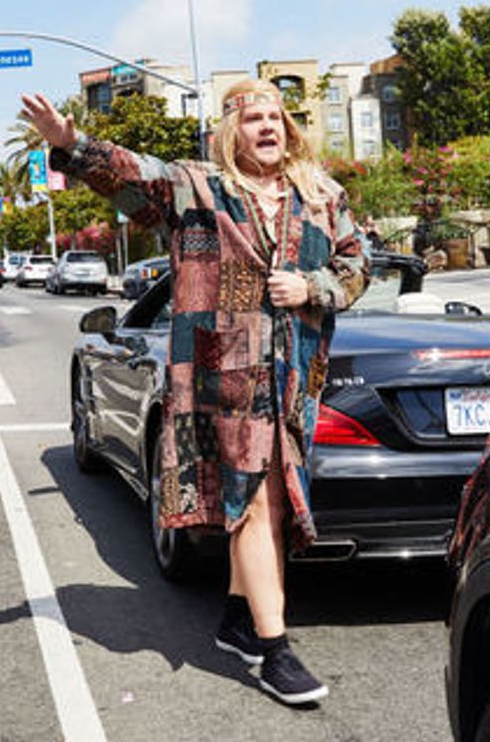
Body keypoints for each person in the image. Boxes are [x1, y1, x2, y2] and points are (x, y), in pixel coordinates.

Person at [20, 79, 369, 706]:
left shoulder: (322, 196)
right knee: (257, 504)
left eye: (275, 117)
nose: (267, 126)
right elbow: (135, 176)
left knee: (276, 506)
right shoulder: (199, 190)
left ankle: (237, 620)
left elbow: (357, 263)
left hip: (295, 375)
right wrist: (71, 142)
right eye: (252, 118)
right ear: (229, 131)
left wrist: (314, 287)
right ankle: (274, 649)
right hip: (224, 377)